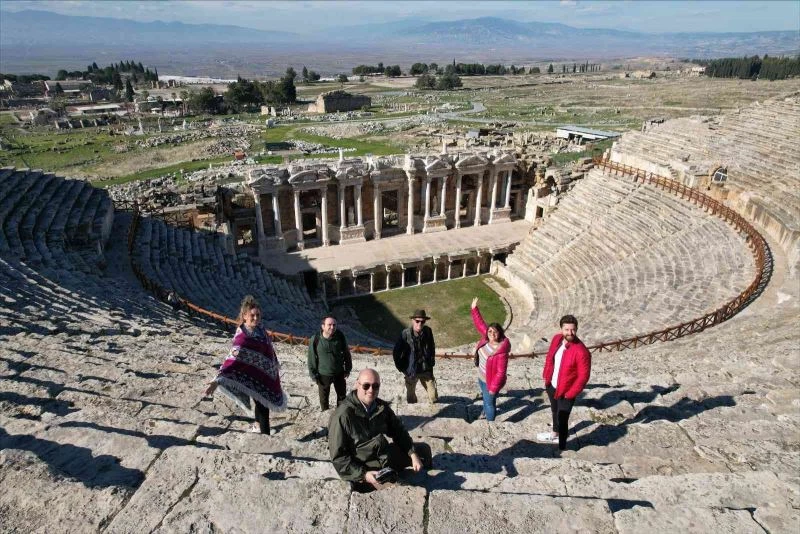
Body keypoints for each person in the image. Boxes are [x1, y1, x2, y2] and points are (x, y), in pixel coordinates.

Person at [328, 368, 431, 491]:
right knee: (399, 488)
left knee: (424, 451)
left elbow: (398, 432)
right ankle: (366, 485)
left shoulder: (380, 407)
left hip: (383, 455)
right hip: (363, 466)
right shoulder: (342, 416)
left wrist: (412, 454)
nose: (371, 390)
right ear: (357, 384)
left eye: (375, 386)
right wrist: (364, 475)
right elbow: (339, 458)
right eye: (366, 386)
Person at [204, 295, 287, 434]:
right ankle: (265, 437)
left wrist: (272, 365)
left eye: (258, 315)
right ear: (244, 316)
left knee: (259, 401)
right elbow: (231, 359)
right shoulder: (242, 337)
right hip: (251, 375)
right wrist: (216, 381)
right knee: (263, 407)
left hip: (264, 375)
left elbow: (268, 349)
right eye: (252, 315)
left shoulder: (261, 329)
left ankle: (257, 425)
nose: (256, 318)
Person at [537, 314, 591, 450]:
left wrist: (570, 394)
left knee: (563, 418)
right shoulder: (557, 339)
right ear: (561, 329)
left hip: (566, 391)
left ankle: (562, 445)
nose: (570, 333)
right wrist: (546, 377)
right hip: (552, 385)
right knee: (555, 411)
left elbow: (583, 377)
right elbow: (550, 358)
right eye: (567, 329)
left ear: (576, 329)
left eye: (572, 330)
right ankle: (554, 433)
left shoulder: (581, 351)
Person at [470, 297, 510, 421]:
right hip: (481, 377)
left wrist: (493, 389)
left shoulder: (501, 352)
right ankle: (485, 412)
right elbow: (480, 324)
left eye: (495, 332)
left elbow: (500, 373)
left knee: (489, 403)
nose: (492, 334)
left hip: (491, 382)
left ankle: (490, 423)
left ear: (500, 334)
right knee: (486, 400)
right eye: (490, 331)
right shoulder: (486, 338)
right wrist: (474, 309)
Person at [307, 314, 352, 411]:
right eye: (329, 325)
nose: (332, 327)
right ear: (323, 326)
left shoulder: (340, 336)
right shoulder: (315, 339)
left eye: (334, 325)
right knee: (324, 400)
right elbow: (311, 357)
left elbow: (346, 352)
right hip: (323, 374)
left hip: (339, 372)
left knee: (341, 397)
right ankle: (325, 416)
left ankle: (340, 416)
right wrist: (313, 374)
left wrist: (348, 368)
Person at [393, 309, 438, 404]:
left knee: (433, 397)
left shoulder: (428, 331)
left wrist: (431, 362)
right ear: (413, 321)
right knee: (410, 398)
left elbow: (432, 347)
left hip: (425, 369)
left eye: (422, 322)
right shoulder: (405, 334)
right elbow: (396, 352)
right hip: (411, 371)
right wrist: (401, 368)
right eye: (417, 321)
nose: (420, 324)